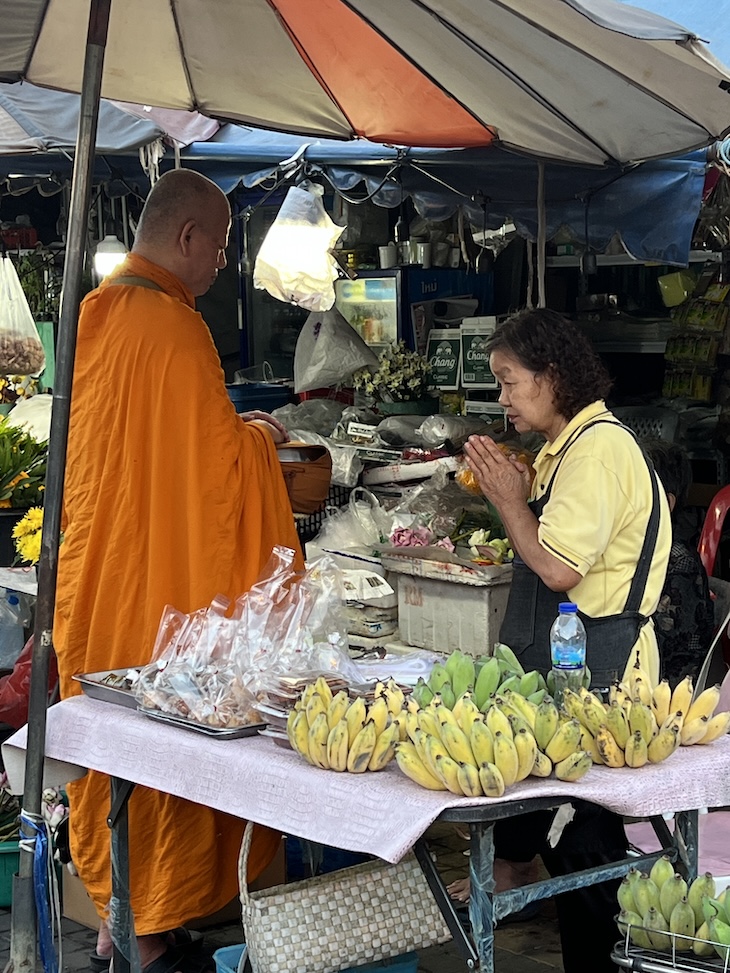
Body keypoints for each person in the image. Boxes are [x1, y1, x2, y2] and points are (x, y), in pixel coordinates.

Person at [54, 169, 303, 973]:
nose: (222, 265)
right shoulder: (172, 327)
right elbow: (213, 475)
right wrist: (260, 441)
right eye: (223, 247)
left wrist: (229, 430)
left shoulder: (92, 315)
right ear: (189, 237)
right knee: (164, 738)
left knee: (117, 746)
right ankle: (149, 933)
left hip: (102, 574)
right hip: (161, 591)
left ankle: (115, 919)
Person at [462, 308, 672, 973]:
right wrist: (519, 492)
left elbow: (558, 567)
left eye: (509, 380)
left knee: (587, 851)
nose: (502, 397)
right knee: (569, 844)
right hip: (570, 681)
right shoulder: (569, 447)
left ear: (552, 376)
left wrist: (508, 500)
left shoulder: (601, 449)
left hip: (606, 682)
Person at [641, 438, 715, 686]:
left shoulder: (678, 564)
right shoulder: (637, 551)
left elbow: (663, 649)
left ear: (666, 503)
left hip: (667, 693)